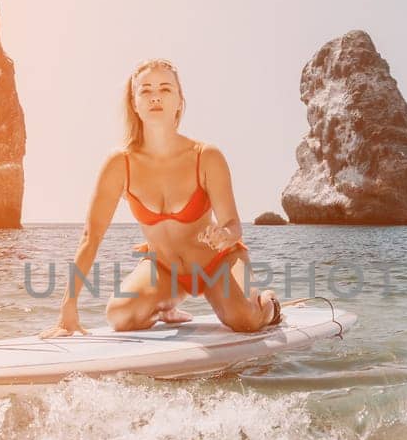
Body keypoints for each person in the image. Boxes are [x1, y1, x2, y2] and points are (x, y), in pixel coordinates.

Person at [39, 58, 281, 338]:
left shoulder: (206, 156)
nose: (155, 96)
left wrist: (224, 236)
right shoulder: (120, 164)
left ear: (179, 100)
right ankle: (165, 306)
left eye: (166, 89)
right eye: (146, 90)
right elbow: (90, 237)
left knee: (245, 321)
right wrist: (68, 308)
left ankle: (270, 305)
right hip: (165, 270)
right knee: (120, 316)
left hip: (217, 264)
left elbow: (232, 224)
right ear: (135, 102)